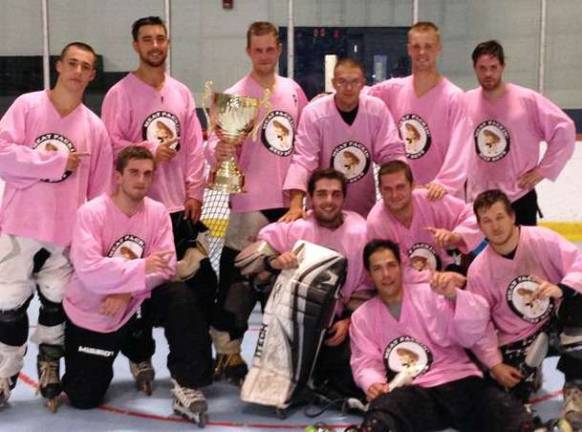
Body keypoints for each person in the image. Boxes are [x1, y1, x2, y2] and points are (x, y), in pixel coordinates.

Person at [101, 16, 215, 390]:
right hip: (134, 211)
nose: (154, 45)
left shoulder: (181, 92)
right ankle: (139, 356)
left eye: (160, 39)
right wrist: (150, 149)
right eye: (147, 39)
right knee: (137, 289)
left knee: (193, 290)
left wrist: (195, 191)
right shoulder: (119, 94)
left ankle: (190, 365)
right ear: (135, 45)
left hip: (177, 209)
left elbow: (195, 147)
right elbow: (111, 146)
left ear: (167, 44)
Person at [62, 147, 211, 425]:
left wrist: (127, 289)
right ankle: (127, 350)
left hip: (135, 300)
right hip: (97, 308)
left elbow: (165, 267)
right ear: (118, 176)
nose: (141, 180)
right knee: (83, 398)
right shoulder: (90, 213)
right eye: (133, 172)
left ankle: (188, 383)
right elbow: (89, 269)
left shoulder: (157, 212)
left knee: (180, 297)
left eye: (147, 173)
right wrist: (141, 267)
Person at [0, 42, 112, 409]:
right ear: (59, 66)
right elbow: (2, 155)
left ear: (92, 75)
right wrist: (56, 162)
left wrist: (92, 241)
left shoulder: (95, 128)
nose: (78, 72)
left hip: (65, 237)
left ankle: (49, 366)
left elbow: (100, 192)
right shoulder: (27, 107)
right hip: (19, 228)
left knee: (56, 307)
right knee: (9, 309)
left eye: (86, 67)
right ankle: (4, 375)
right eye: (73, 64)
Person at [205, 21, 308, 383]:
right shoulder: (236, 96)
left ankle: (280, 358)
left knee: (283, 285)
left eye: (270, 49)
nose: (264, 56)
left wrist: (301, 195)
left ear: (279, 50)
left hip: (290, 207)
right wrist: (218, 151)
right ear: (248, 51)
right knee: (238, 282)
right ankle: (228, 353)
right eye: (258, 50)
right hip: (249, 206)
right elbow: (220, 154)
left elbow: (305, 146)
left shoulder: (294, 91)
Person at [350, 239, 534, 431]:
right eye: (378, 268)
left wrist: (454, 296)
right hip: (415, 393)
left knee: (502, 409)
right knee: (383, 413)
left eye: (391, 265)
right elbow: (366, 362)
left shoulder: (432, 292)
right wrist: (372, 383)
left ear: (401, 267)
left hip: (458, 380)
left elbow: (474, 329)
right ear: (369, 275)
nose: (386, 274)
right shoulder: (362, 317)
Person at [243, 168, 369, 400]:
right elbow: (248, 259)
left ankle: (319, 377)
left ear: (344, 198)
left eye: (335, 194)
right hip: (298, 322)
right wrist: (274, 261)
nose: (329, 201)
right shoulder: (297, 227)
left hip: (337, 324)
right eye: (321, 194)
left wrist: (349, 322)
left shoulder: (360, 231)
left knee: (349, 374)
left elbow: (366, 293)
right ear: (310, 197)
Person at [467, 189, 582, 429]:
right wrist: (495, 364)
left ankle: (576, 391)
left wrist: (562, 288)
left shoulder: (542, 240)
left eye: (499, 217)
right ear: (480, 226)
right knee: (507, 391)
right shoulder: (478, 271)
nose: (495, 226)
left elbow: (579, 264)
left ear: (512, 216)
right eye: (487, 220)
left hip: (557, 319)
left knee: (577, 311)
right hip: (520, 338)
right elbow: (479, 325)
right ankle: (531, 375)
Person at [464, 40, 576, 225]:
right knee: (480, 255)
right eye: (482, 68)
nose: (488, 74)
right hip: (478, 200)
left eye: (493, 67)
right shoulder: (466, 101)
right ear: (474, 68)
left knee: (524, 254)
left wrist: (543, 170)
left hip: (518, 197)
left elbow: (564, 129)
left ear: (503, 66)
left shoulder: (527, 100)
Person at [281, 58, 403, 220]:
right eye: (342, 82)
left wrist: (402, 194)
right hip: (322, 209)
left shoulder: (377, 110)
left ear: (363, 83)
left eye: (355, 82)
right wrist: (295, 206)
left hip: (364, 210)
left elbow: (391, 153)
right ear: (333, 83)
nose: (349, 88)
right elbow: (303, 160)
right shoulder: (314, 113)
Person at [367, 21, 472, 201]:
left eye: (428, 46)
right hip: (402, 198)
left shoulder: (454, 97)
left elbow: (461, 148)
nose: (422, 52)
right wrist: (327, 99)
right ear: (409, 49)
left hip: (441, 197)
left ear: (438, 48)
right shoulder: (391, 90)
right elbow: (358, 97)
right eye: (416, 46)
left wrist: (444, 183)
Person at [366, 160, 482, 274]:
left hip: (447, 272)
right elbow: (392, 272)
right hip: (407, 286)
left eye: (400, 187)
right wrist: (435, 279)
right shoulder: (376, 223)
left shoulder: (428, 198)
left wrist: (455, 236)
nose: (394, 195)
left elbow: (474, 214)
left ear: (412, 186)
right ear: (380, 190)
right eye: (387, 189)